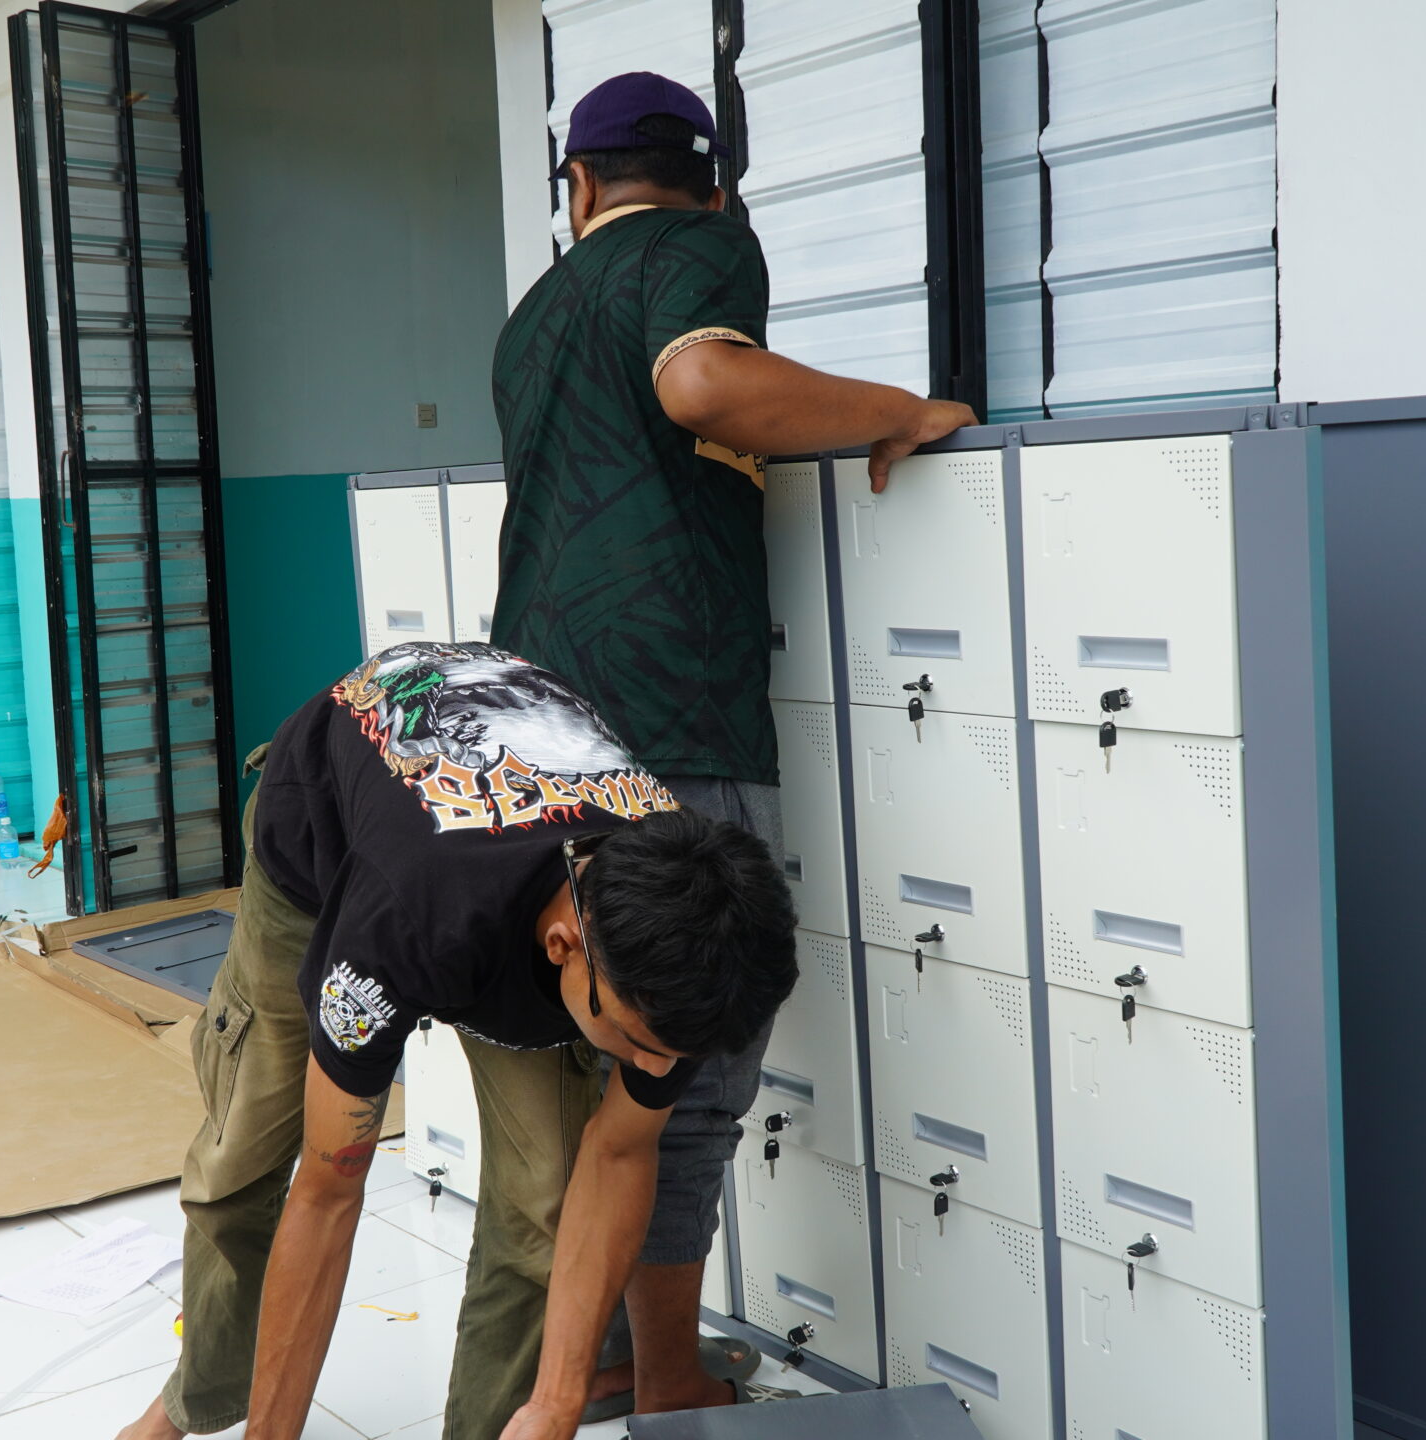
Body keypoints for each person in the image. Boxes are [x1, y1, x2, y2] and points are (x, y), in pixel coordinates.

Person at [487, 71, 978, 1423]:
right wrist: (898, 408)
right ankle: (664, 1379)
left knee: (589, 1054)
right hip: (667, 710)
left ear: (577, 183)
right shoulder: (700, 248)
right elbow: (702, 382)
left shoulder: (535, 315)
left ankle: (596, 1360)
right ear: (713, 185)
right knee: (688, 1064)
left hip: (536, 723)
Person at [114, 641, 799, 1440]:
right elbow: (329, 1195)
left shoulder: (677, 931)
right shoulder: (408, 920)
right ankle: (193, 1400)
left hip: (502, 862)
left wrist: (556, 1404)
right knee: (242, 1159)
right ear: (564, 947)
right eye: (634, 1040)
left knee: (541, 1200)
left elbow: (619, 1153)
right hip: (320, 848)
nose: (651, 1068)